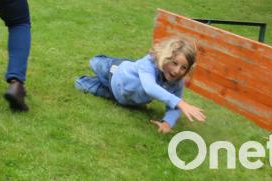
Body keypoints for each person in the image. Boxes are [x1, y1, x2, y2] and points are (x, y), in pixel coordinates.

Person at [74, 37, 206, 133]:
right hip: (115, 72)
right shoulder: (149, 63)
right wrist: (181, 103)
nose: (177, 71)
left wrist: (167, 123)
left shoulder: (177, 82)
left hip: (119, 97)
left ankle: (95, 83)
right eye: (175, 63)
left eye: (184, 68)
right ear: (166, 57)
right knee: (95, 62)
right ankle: (103, 61)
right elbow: (150, 88)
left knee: (81, 84)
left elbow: (173, 107)